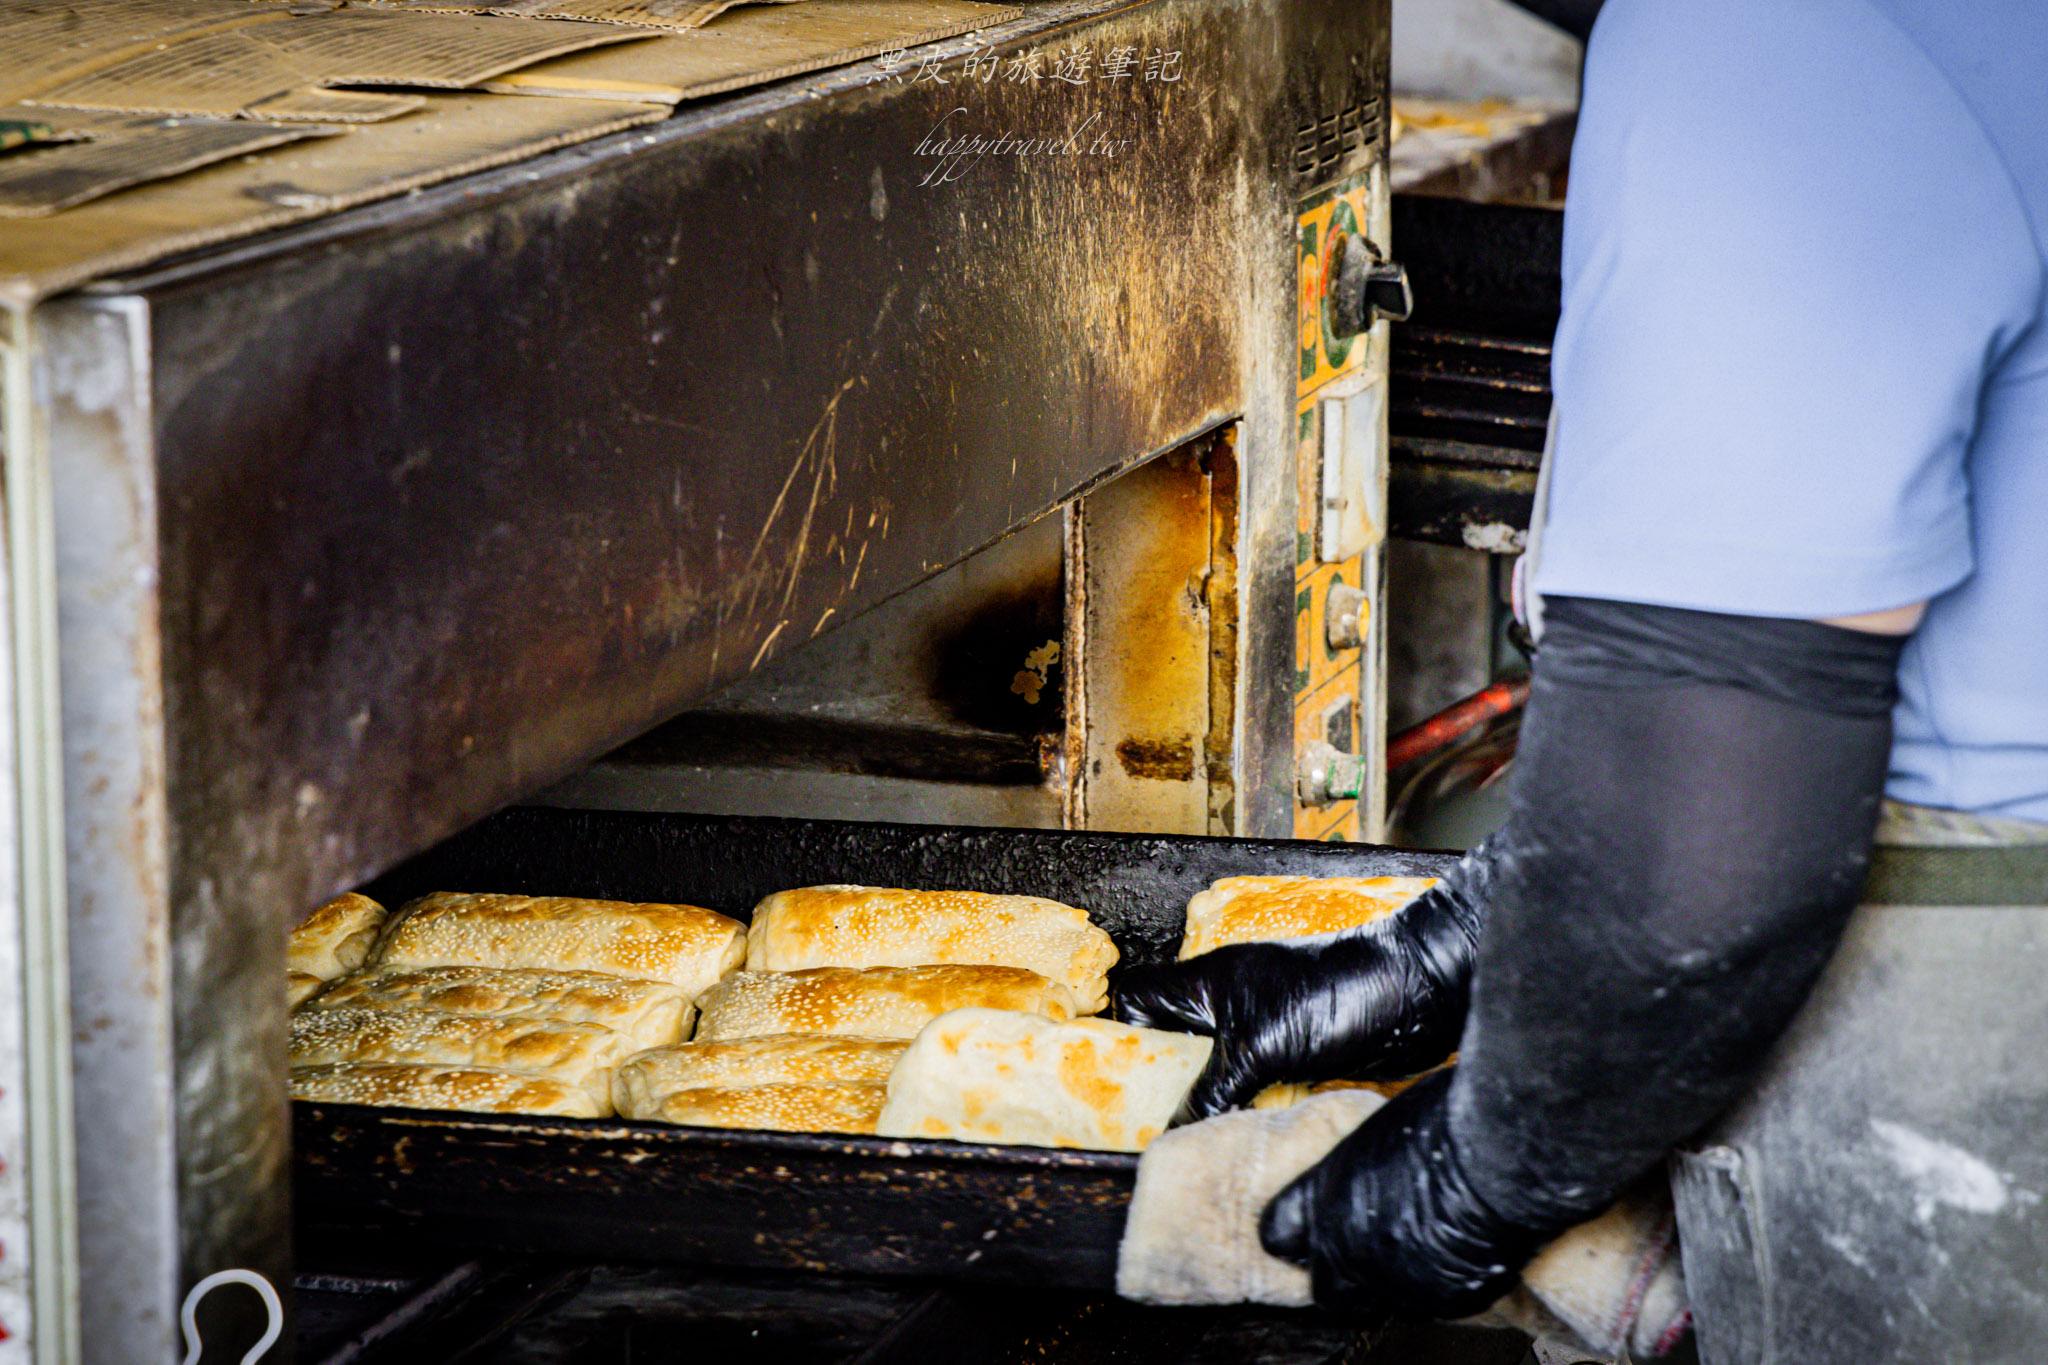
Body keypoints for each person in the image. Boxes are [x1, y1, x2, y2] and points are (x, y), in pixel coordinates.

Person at [1121, 0, 2048, 1357]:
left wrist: (1477, 1176)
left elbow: (1704, 863)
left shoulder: (1765, 35)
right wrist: (1452, 948)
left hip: (1972, 1055)